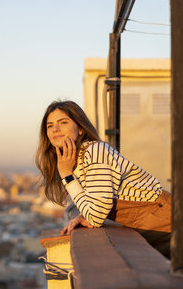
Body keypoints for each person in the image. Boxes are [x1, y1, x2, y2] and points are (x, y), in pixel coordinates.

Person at [35, 100, 171, 258]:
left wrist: (66, 175)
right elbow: (95, 205)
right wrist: (83, 215)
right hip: (149, 225)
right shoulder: (74, 160)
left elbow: (95, 217)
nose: (55, 129)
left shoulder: (95, 151)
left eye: (63, 122)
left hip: (163, 220)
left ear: (80, 128)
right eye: (49, 126)